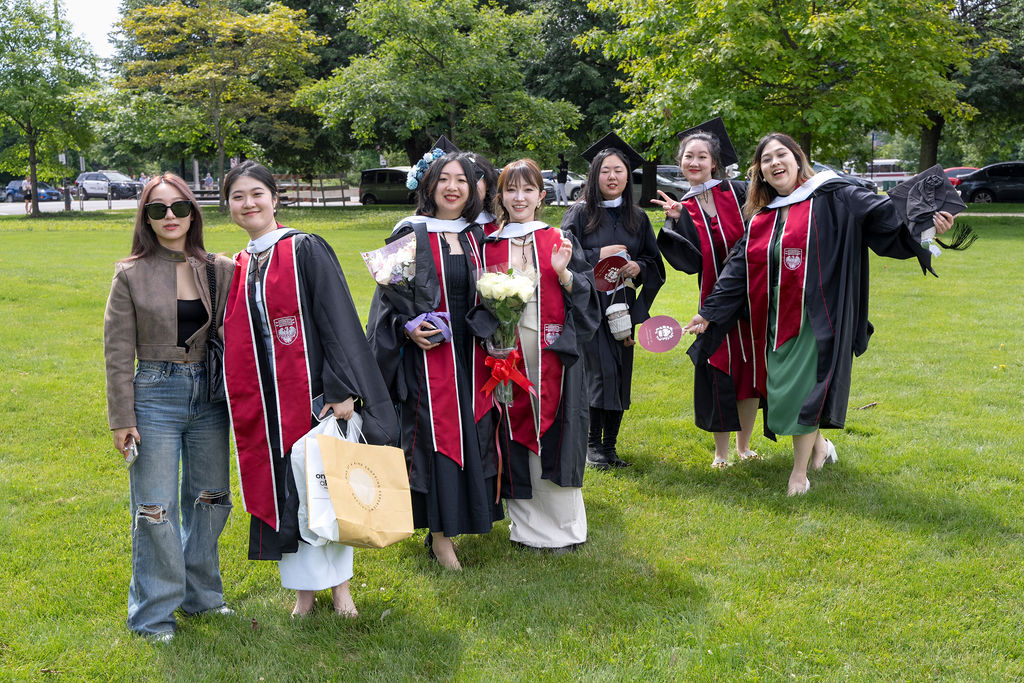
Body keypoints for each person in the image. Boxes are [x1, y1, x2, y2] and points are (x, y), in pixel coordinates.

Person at [684, 133, 954, 495]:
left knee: (803, 393)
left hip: (817, 317)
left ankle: (799, 475)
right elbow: (737, 270)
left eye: (782, 155)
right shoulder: (761, 216)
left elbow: (882, 213)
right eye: (766, 160)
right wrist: (709, 314)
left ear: (798, 159)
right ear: (760, 172)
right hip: (774, 318)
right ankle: (822, 448)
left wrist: (923, 223)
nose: (775, 163)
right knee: (779, 394)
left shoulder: (834, 195)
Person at [221, 160, 399, 616]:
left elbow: (336, 320)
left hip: (312, 399)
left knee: (326, 488)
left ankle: (341, 590)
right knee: (292, 495)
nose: (248, 203)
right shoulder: (241, 263)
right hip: (267, 405)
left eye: (256, 193)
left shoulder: (303, 248)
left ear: (274, 198)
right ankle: (304, 593)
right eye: (238, 197)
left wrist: (341, 389)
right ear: (229, 208)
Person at [103, 173, 234, 642]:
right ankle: (153, 615)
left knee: (210, 500)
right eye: (158, 210)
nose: (170, 217)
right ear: (146, 217)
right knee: (154, 508)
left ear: (193, 211)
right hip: (154, 394)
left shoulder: (222, 267)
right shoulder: (130, 273)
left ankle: (204, 598)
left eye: (179, 207)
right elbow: (117, 352)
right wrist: (122, 418)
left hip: (210, 396)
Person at [366, 150, 502, 571]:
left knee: (474, 433)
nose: (453, 187)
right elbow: (385, 303)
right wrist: (407, 327)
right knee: (434, 438)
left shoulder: (480, 235)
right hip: (429, 358)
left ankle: (465, 518)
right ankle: (440, 537)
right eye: (444, 178)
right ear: (428, 185)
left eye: (462, 179)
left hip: (473, 352)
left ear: (473, 187)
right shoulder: (410, 232)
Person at [471, 158, 600, 553]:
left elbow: (587, 298)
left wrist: (563, 272)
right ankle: (525, 526)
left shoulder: (558, 239)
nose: (519, 197)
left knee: (555, 432)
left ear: (542, 196)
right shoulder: (486, 242)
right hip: (506, 354)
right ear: (501, 196)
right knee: (513, 431)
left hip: (550, 354)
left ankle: (564, 527)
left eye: (528, 189)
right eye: (511, 189)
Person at [652, 121, 760, 469]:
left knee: (750, 370)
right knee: (719, 369)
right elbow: (689, 261)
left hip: (752, 297)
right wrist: (679, 221)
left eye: (702, 156)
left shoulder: (739, 191)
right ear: (680, 162)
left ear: (715, 162)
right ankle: (721, 453)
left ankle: (744, 448)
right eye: (688, 157)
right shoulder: (681, 204)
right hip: (713, 300)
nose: (694, 162)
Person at [562, 134, 664, 469]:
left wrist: (639, 266)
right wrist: (596, 254)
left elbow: (654, 264)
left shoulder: (638, 217)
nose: (612, 177)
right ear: (594, 176)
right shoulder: (579, 214)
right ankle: (593, 446)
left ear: (627, 175)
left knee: (620, 373)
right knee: (598, 373)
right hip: (588, 308)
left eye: (618, 171)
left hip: (623, 309)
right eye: (605, 171)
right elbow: (563, 257)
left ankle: (611, 447)